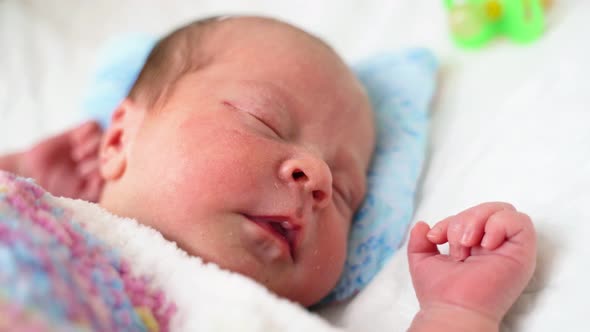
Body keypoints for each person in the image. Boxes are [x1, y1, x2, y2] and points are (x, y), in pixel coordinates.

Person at [0, 16, 536, 331]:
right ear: (119, 139)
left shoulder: (256, 318)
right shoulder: (35, 207)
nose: (320, 177)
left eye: (348, 195)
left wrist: (456, 309)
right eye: (265, 121)